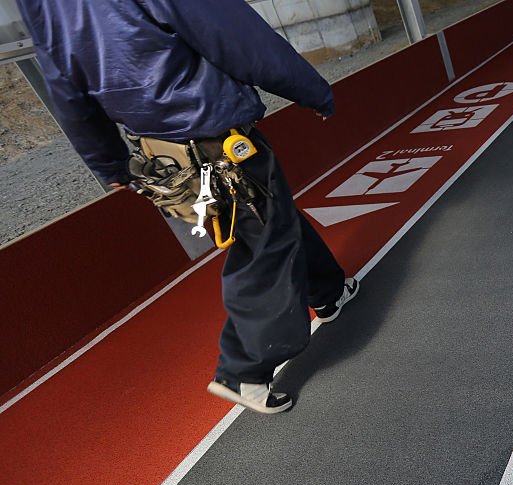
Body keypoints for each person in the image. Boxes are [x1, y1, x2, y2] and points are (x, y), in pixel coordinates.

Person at [15, 0, 359, 414]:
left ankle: (328, 291)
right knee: (264, 244)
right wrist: (309, 89)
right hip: (212, 133)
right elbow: (235, 35)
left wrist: (107, 161)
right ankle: (244, 370)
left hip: (162, 154)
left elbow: (64, 87)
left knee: (269, 221)